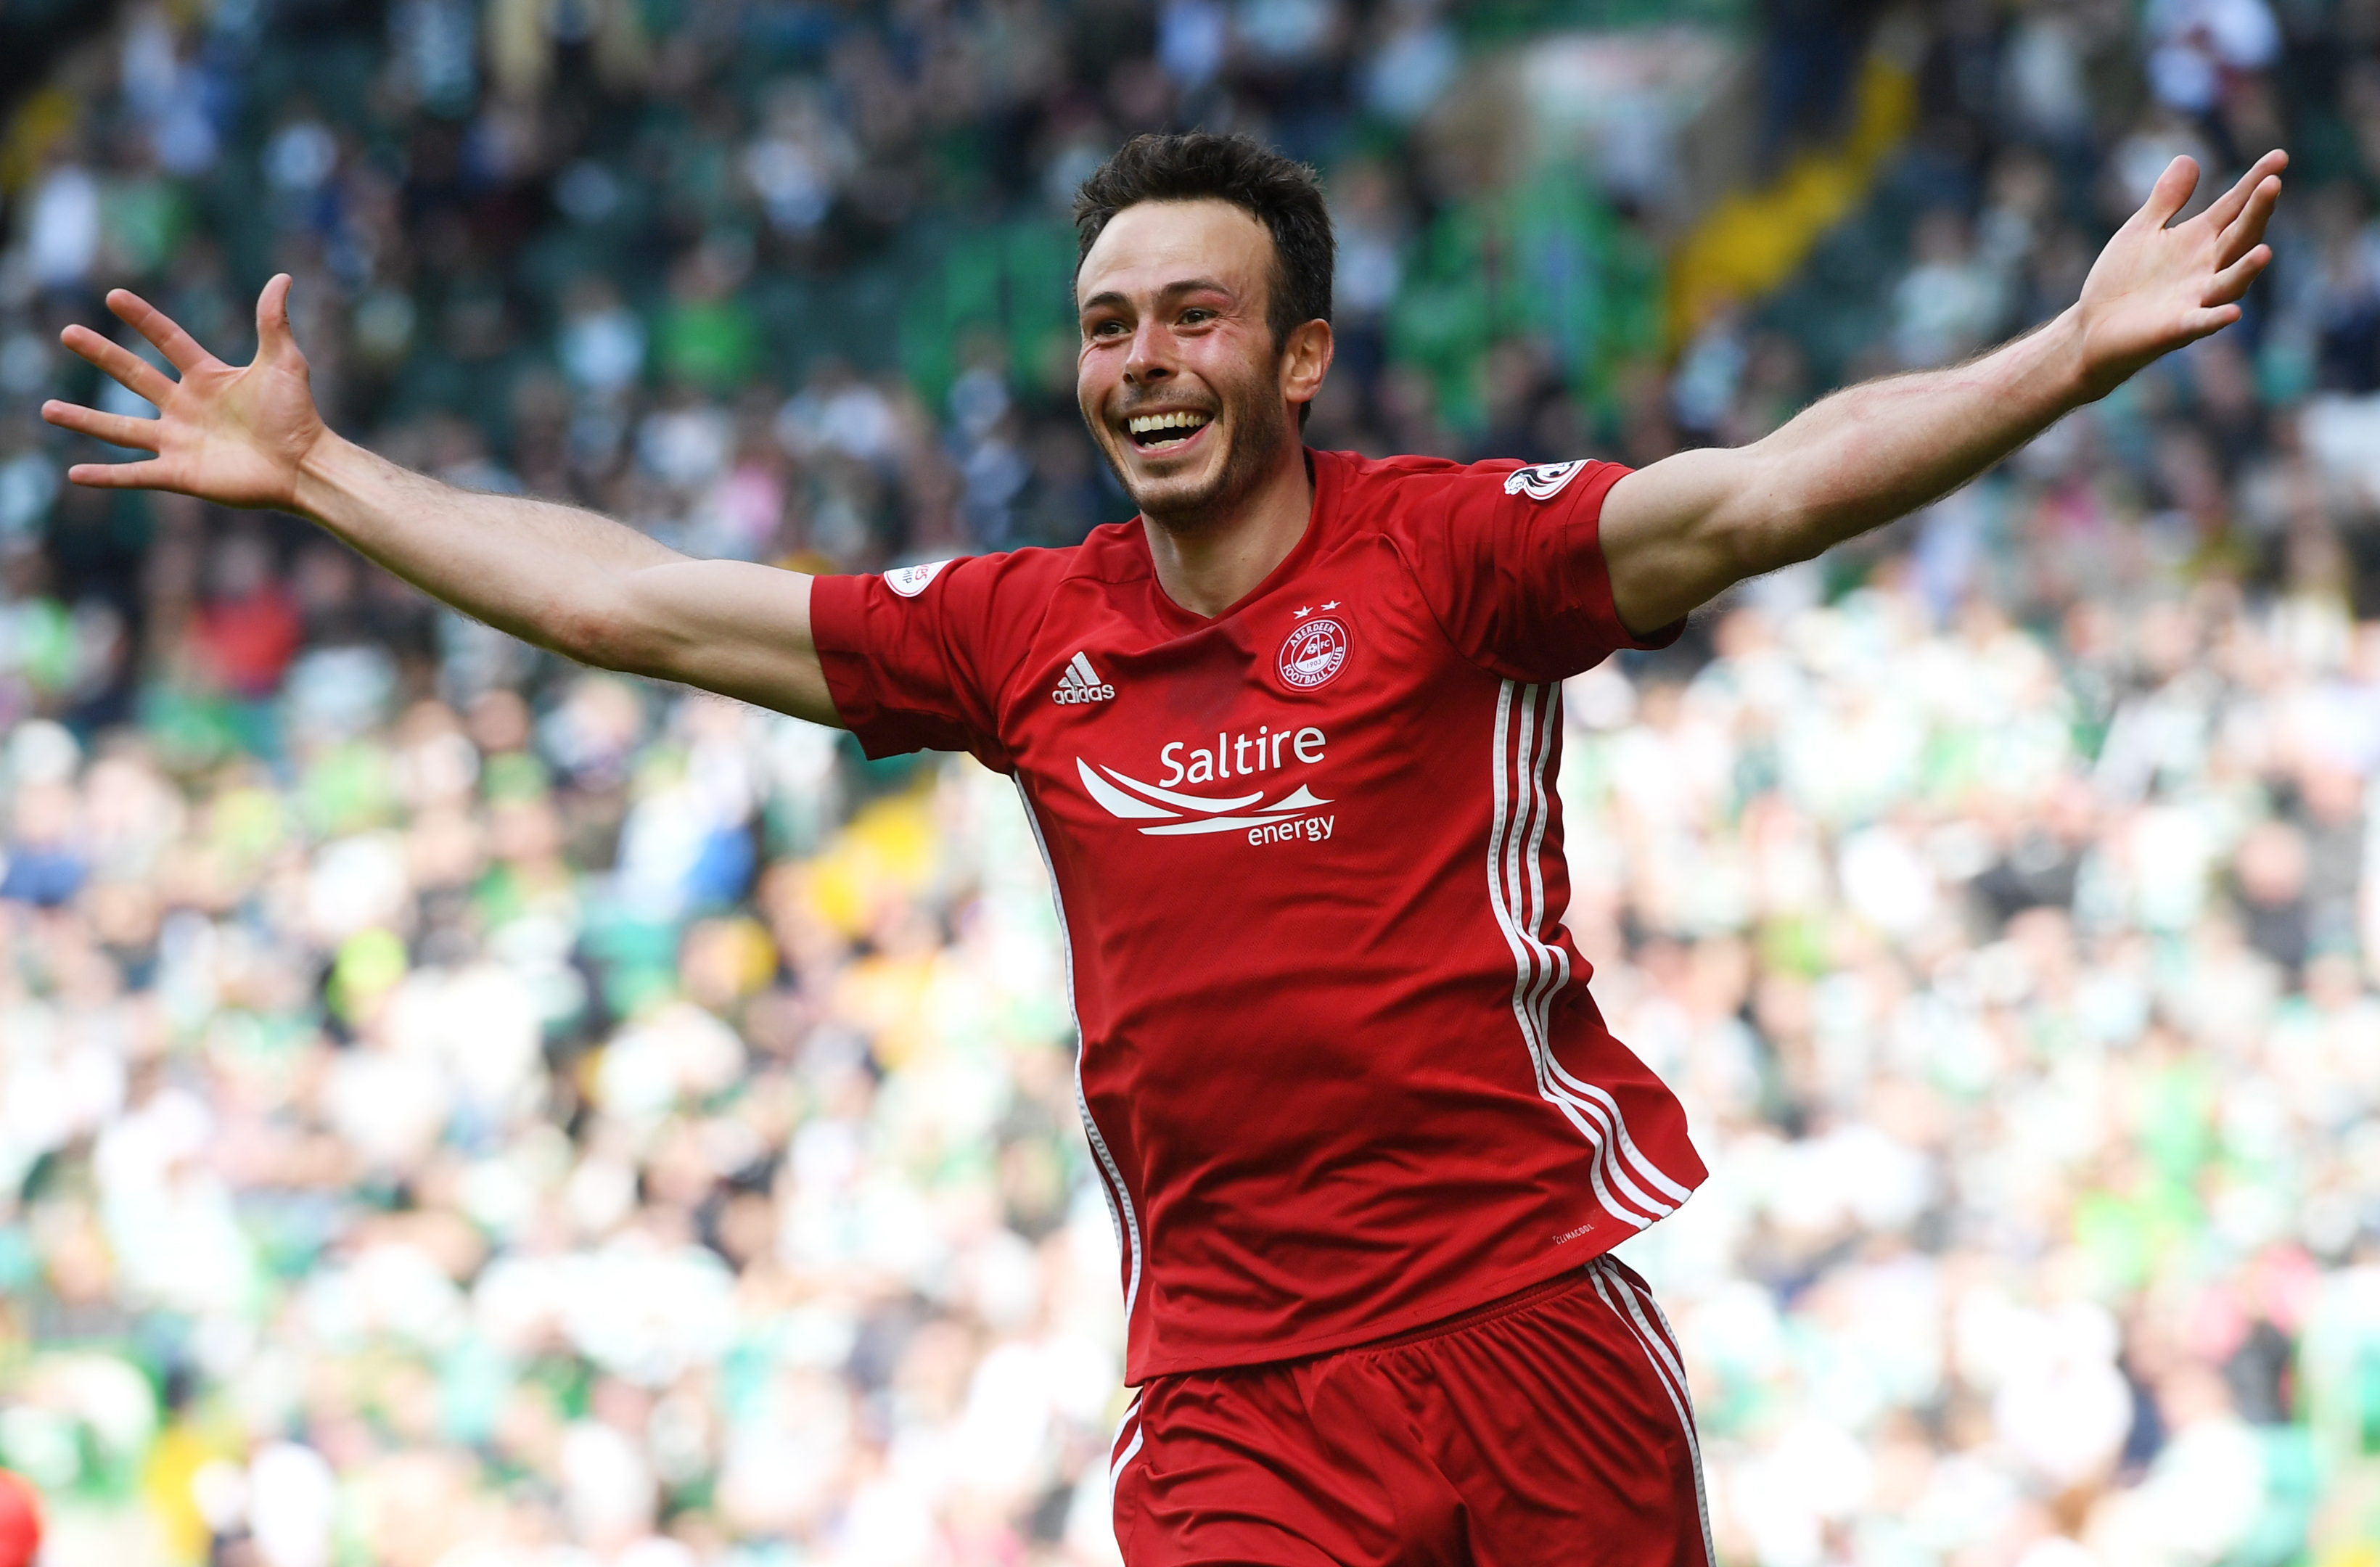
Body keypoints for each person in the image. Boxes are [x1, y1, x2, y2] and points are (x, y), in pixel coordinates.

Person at [43, 131, 2285, 1566]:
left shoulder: (1457, 559)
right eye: (1108, 324)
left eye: (1195, 315)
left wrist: (2068, 357)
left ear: (1298, 355)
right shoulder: (1026, 632)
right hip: (1233, 1395)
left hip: (1531, 1331)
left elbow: (1773, 485)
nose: (1144, 360)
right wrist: (328, 478)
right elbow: (633, 599)